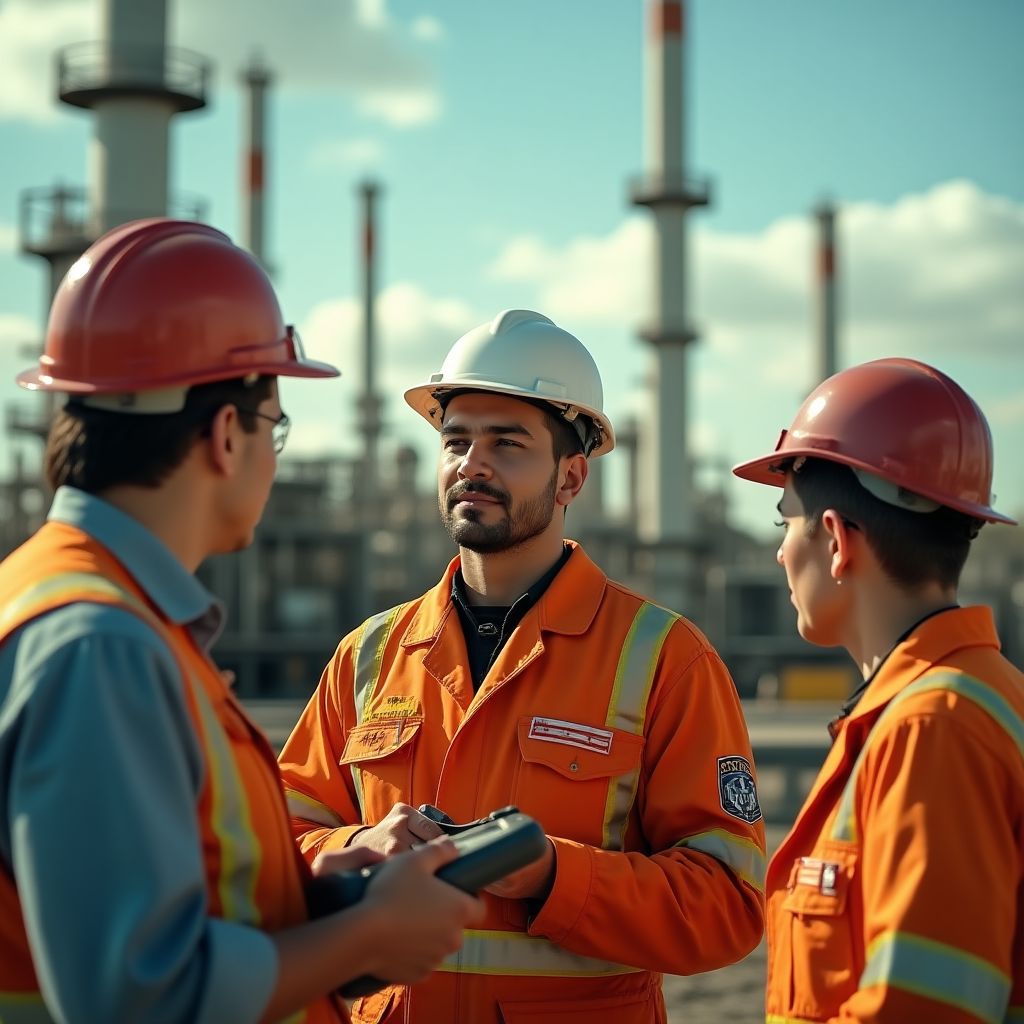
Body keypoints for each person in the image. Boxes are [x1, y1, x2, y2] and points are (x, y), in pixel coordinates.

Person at [0, 219, 481, 1024]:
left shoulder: (77, 605)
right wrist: (368, 936)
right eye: (276, 427)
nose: (275, 455)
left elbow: (178, 907)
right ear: (227, 435)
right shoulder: (100, 645)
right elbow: (137, 998)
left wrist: (321, 897)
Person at [278, 309, 766, 1024]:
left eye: (507, 444)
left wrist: (551, 875)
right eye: (456, 441)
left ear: (572, 478)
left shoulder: (665, 658)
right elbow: (278, 843)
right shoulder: (369, 656)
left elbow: (726, 904)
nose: (472, 464)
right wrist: (358, 842)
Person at [732, 357, 1024, 1023]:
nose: (780, 554)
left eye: (785, 524)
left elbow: (923, 1008)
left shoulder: (933, 727)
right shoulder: (979, 697)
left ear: (834, 540)